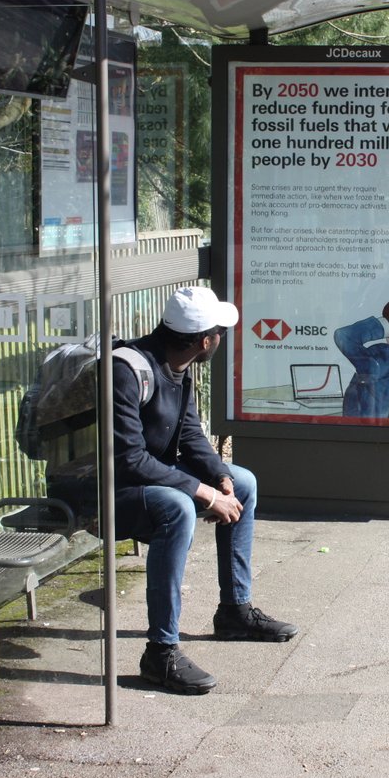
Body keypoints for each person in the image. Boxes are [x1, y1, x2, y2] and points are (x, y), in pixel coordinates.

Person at [113, 286, 297, 695]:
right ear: (205, 340)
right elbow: (129, 461)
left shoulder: (180, 365)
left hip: (147, 479)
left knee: (243, 481)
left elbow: (189, 432)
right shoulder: (127, 371)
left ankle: (235, 610)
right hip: (109, 492)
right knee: (178, 507)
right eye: (220, 332)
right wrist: (204, 493)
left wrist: (218, 476)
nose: (221, 338)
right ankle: (160, 652)